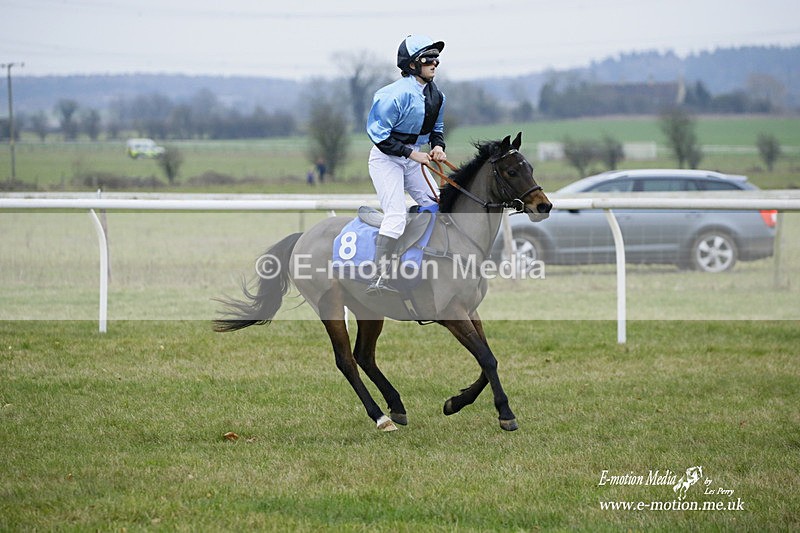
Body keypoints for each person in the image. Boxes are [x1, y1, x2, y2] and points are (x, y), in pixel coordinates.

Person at [365, 34, 447, 293]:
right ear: (412, 65)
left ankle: (417, 260)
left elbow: (438, 129)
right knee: (397, 215)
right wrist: (413, 155)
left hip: (414, 157)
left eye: (436, 59)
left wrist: (437, 146)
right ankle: (379, 277)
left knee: (437, 205)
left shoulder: (438, 96)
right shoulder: (391, 95)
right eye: (428, 59)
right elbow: (379, 136)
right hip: (386, 159)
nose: (434, 64)